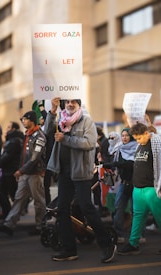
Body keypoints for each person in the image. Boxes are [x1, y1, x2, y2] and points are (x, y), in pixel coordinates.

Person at [44, 97, 116, 263]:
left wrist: (66, 139)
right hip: (64, 172)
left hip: (80, 172)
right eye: (67, 102)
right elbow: (47, 131)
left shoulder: (86, 121)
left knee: (86, 207)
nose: (69, 104)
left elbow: (90, 143)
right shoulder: (60, 119)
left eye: (73, 102)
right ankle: (69, 249)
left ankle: (107, 244)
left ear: (78, 105)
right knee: (61, 209)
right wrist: (52, 111)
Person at [0, 111, 46, 236]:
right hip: (25, 173)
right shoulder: (27, 135)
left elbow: (35, 158)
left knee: (39, 201)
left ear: (32, 120)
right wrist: (21, 171)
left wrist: (20, 171)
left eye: (25, 119)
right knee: (19, 199)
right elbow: (23, 157)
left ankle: (41, 226)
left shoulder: (39, 136)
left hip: (35, 174)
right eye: (22, 119)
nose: (23, 121)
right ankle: (9, 224)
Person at [118, 122, 161, 255]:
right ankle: (133, 243)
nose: (138, 141)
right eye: (135, 139)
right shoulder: (139, 146)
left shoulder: (157, 144)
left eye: (139, 138)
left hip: (152, 189)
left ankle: (133, 243)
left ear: (147, 133)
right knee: (138, 217)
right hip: (138, 188)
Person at [103, 128, 137, 244]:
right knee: (118, 208)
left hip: (135, 184)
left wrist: (113, 164)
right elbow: (117, 165)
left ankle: (137, 236)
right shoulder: (120, 149)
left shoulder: (136, 148)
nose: (124, 138)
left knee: (135, 211)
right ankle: (119, 234)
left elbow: (129, 164)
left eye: (127, 135)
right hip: (123, 183)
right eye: (122, 135)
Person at [0, 121, 24, 220]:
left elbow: (7, 156)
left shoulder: (14, 141)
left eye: (9, 127)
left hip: (10, 171)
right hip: (9, 170)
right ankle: (9, 213)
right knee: (7, 192)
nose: (6, 129)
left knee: (8, 193)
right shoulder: (13, 140)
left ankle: (12, 214)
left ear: (14, 129)